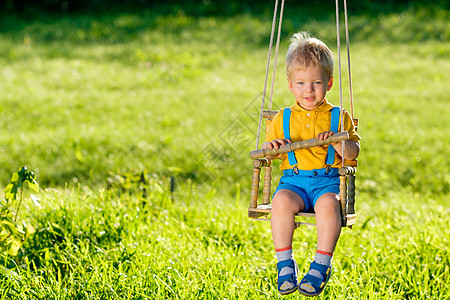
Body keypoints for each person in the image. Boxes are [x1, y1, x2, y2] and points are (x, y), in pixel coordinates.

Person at [261, 31, 361, 296]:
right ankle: (284, 262)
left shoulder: (338, 117)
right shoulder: (282, 118)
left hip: (326, 181)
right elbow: (268, 154)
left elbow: (354, 152)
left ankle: (321, 264)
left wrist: (340, 143)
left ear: (328, 84)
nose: (309, 90)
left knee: (330, 206)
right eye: (302, 83)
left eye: (316, 83)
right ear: (291, 84)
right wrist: (271, 149)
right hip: (294, 182)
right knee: (280, 201)